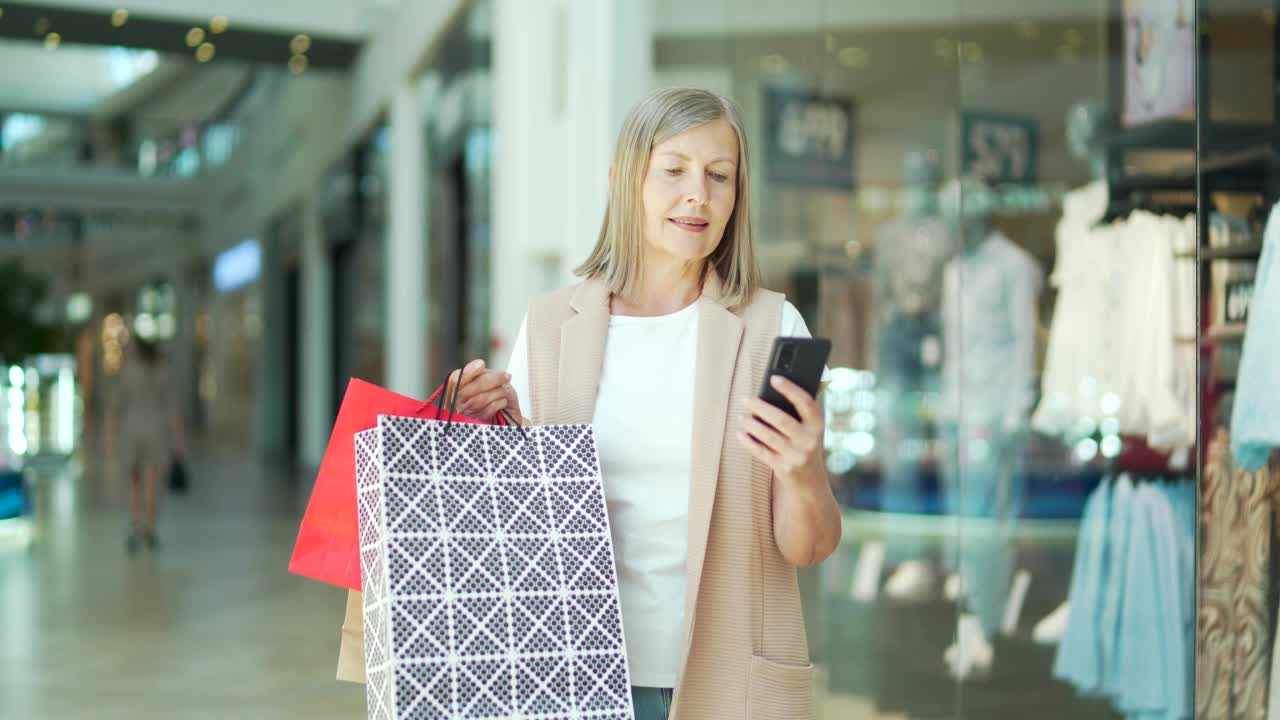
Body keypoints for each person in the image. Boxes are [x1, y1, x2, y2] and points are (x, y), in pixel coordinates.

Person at [450, 87, 843, 720]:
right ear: (624, 179)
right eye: (675, 170)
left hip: (731, 682)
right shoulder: (550, 326)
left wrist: (803, 472)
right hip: (571, 676)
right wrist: (473, 433)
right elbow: (517, 525)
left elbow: (810, 547)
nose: (699, 195)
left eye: (720, 176)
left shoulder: (774, 327)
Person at [106, 337, 185, 554]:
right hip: (156, 431)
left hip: (131, 431)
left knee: (134, 482)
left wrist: (110, 437)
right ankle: (151, 528)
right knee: (152, 482)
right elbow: (171, 410)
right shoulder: (162, 372)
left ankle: (135, 525)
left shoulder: (128, 373)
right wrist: (178, 441)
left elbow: (115, 408)